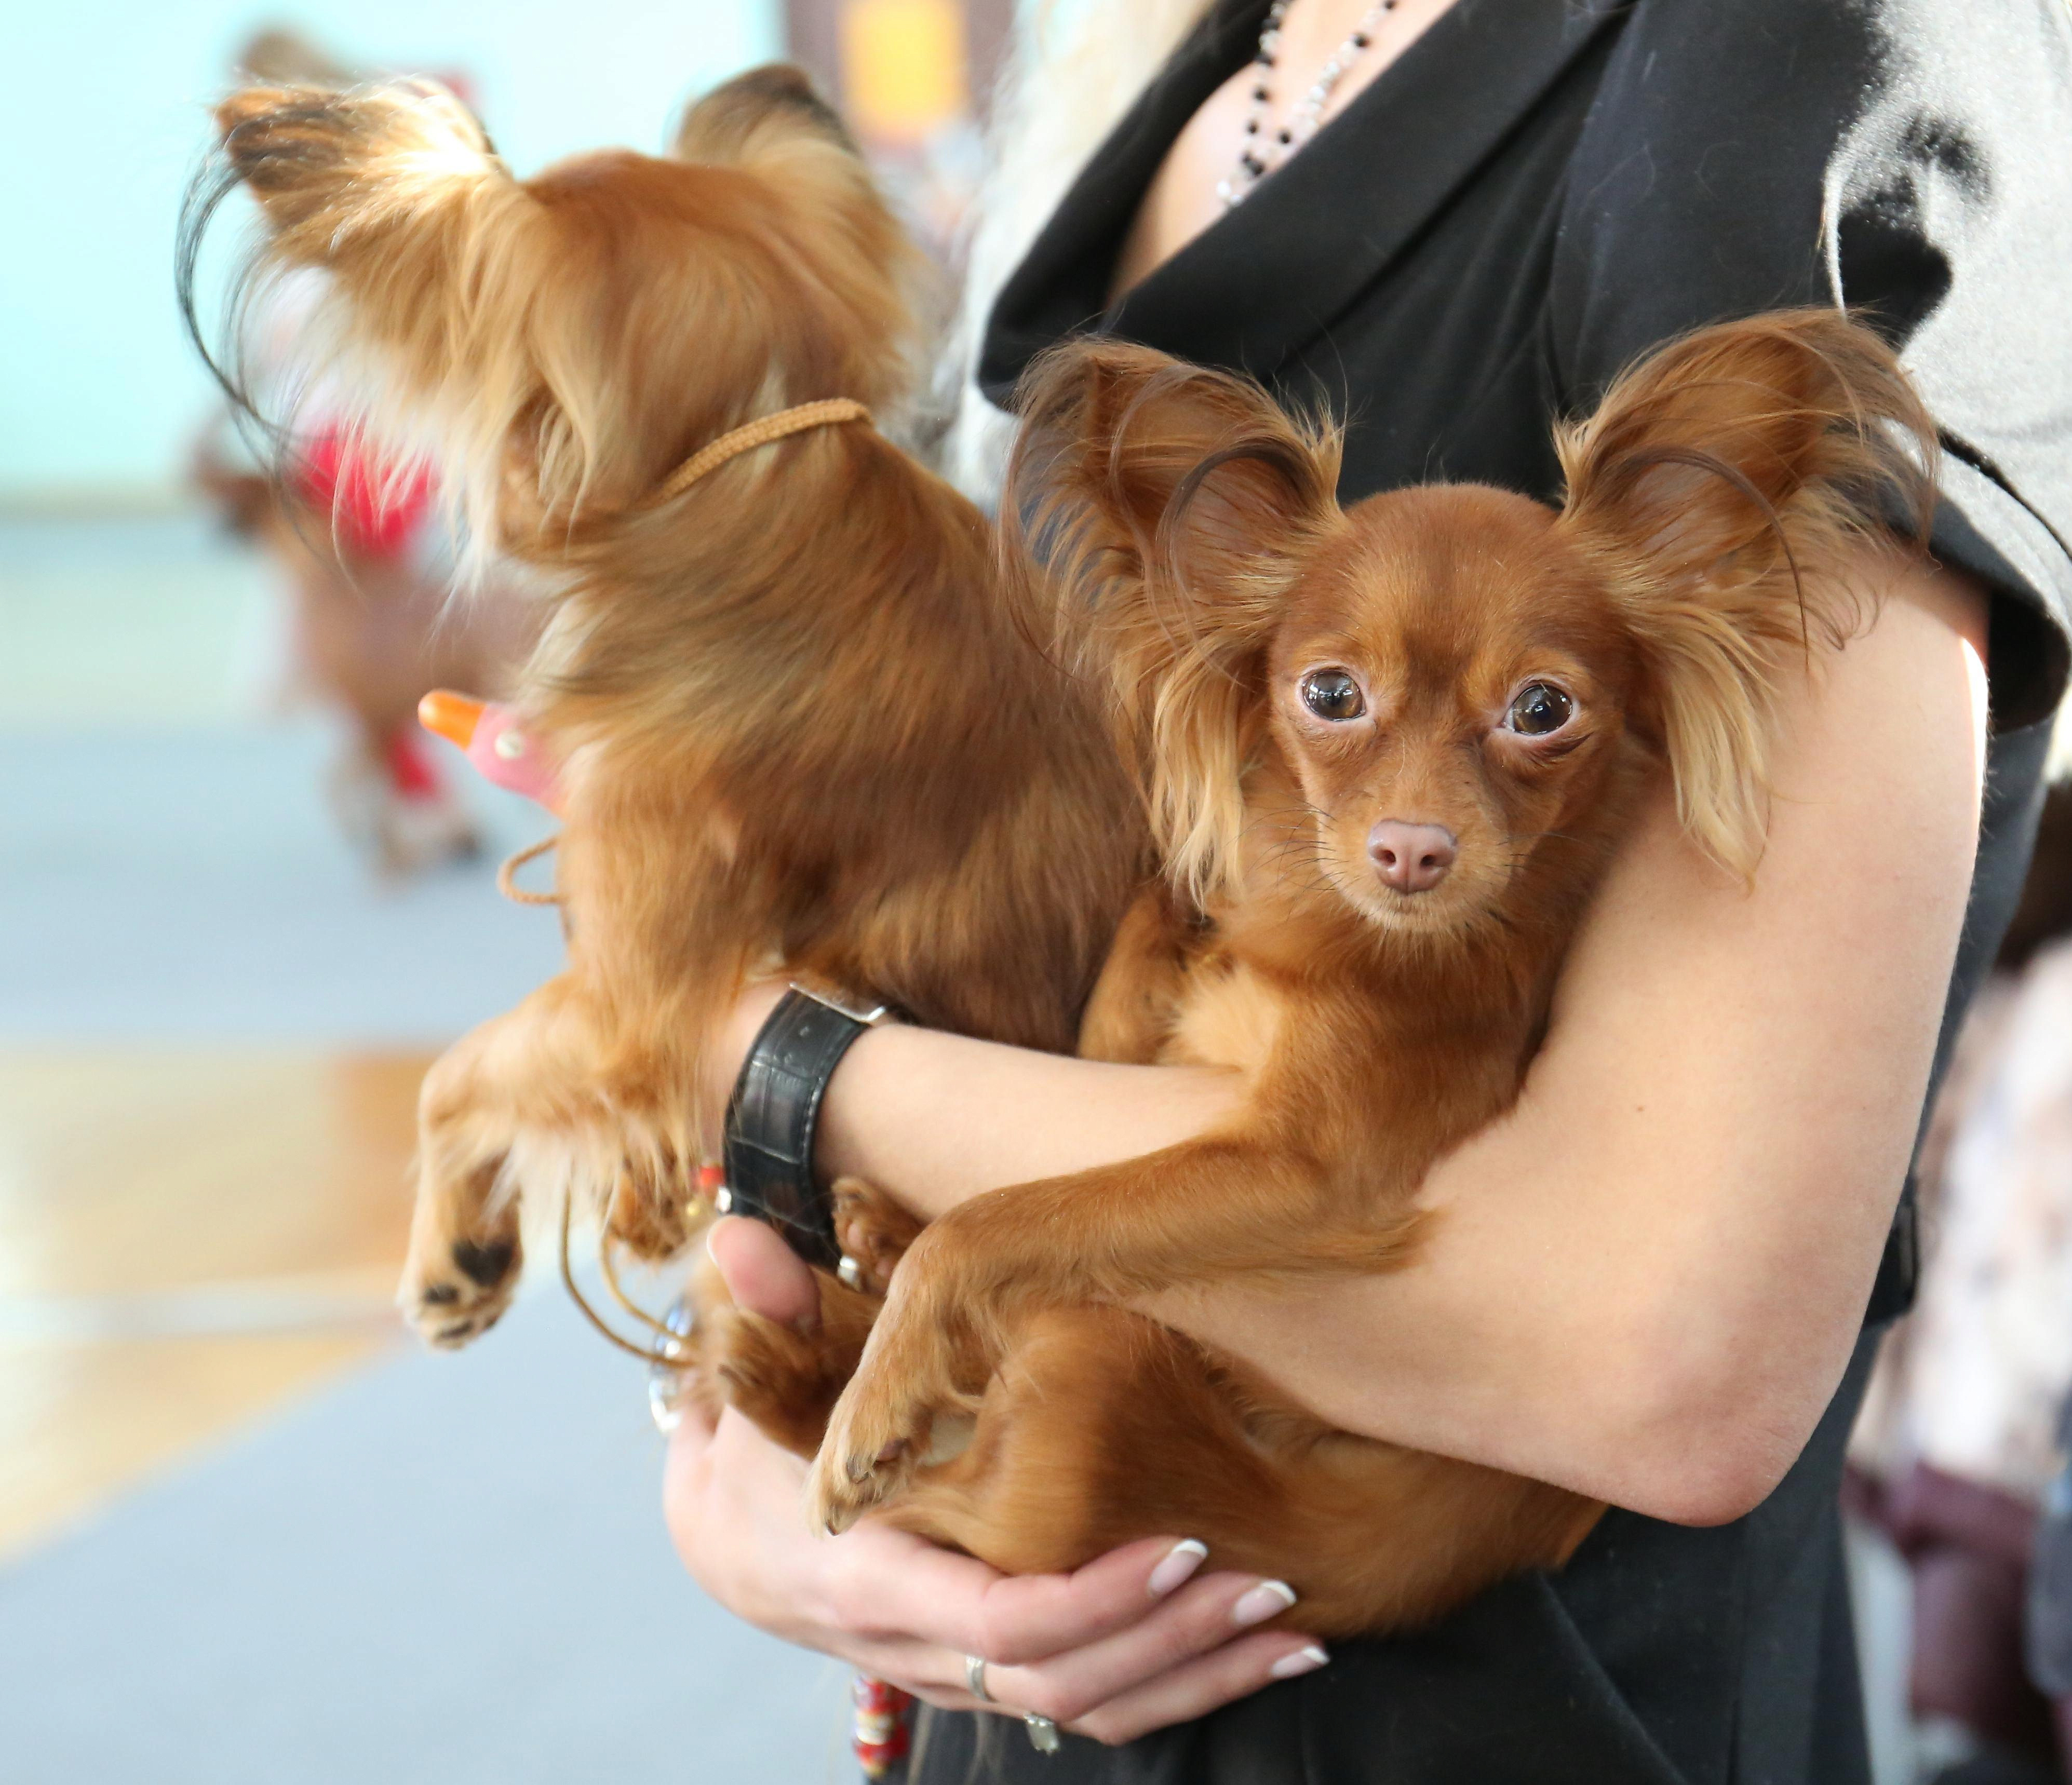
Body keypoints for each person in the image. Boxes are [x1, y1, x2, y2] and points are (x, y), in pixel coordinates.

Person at [665, 1, 2072, 1778]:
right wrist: (765, 1478)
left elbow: (1663, 1353)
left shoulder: (1777, 61)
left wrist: (771, 1066)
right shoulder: (1175, 70)